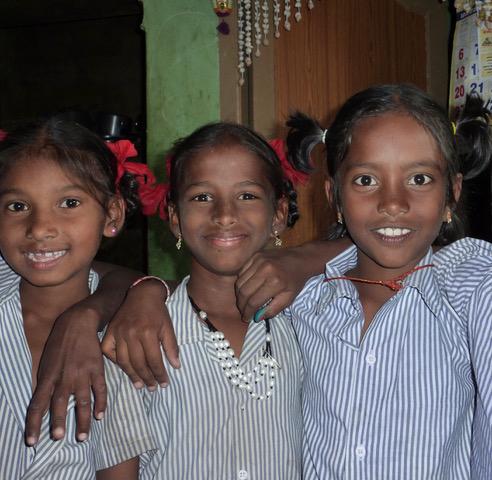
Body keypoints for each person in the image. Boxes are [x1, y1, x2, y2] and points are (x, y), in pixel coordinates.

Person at [276, 84, 492, 478]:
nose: (393, 203)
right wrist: (148, 291)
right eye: (365, 181)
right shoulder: (301, 303)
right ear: (334, 196)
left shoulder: (468, 286)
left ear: (452, 194)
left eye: (420, 179)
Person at [138, 122, 304, 478]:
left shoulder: (307, 323)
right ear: (175, 217)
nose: (225, 214)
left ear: (278, 214)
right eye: (201, 197)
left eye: (247, 196)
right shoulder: (142, 334)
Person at [0, 118, 155, 479]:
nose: (39, 228)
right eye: (17, 206)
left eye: (68, 202)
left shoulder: (122, 340)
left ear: (112, 215)